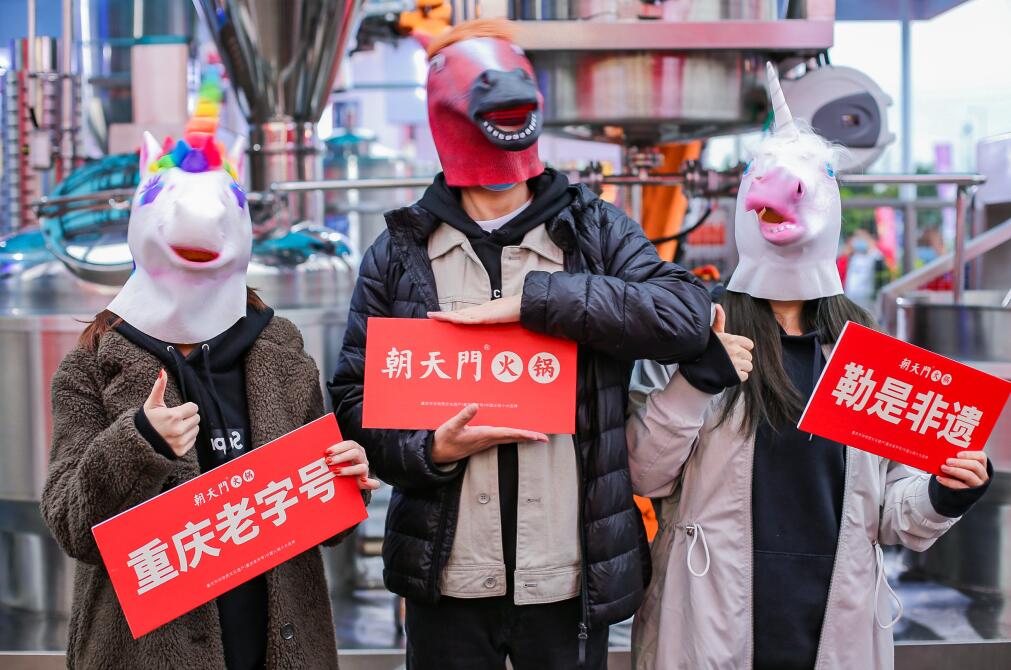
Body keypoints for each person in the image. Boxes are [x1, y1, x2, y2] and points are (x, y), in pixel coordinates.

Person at [328, 19, 713, 670]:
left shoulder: (593, 231)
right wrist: (431, 450)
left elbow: (686, 315)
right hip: (445, 577)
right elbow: (352, 401)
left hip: (567, 577)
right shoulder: (399, 252)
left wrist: (542, 301)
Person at [626, 64, 991, 670]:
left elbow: (893, 515)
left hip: (834, 621)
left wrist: (944, 493)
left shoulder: (865, 349)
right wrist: (695, 381)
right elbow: (643, 473)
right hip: (709, 621)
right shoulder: (696, 329)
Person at [41, 124, 378, 669]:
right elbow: (70, 524)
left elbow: (325, 522)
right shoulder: (90, 367)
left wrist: (346, 478)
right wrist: (138, 442)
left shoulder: (282, 353)